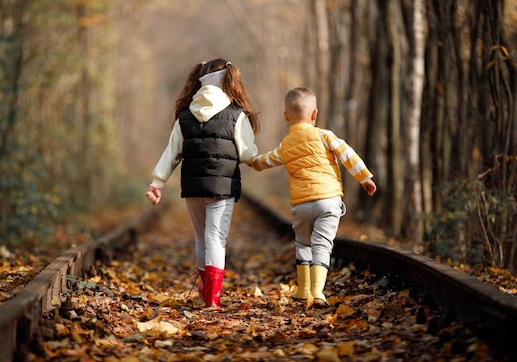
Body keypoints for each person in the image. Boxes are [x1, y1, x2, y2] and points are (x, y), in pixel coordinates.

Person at [145, 58, 260, 310]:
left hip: (193, 186)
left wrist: (157, 183)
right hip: (223, 187)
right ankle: (213, 299)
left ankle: (206, 288)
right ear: (228, 81)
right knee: (215, 238)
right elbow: (248, 155)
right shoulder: (236, 115)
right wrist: (266, 160)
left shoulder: (185, 116)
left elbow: (171, 153)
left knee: (201, 238)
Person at [250, 87, 377, 308]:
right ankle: (317, 292)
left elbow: (264, 162)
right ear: (314, 114)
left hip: (300, 204)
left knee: (303, 243)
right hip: (328, 200)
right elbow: (348, 155)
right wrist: (364, 178)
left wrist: (249, 158)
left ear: (286, 116)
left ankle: (302, 290)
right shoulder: (324, 135)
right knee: (323, 245)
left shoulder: (285, 146)